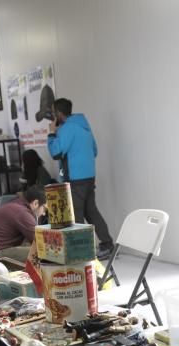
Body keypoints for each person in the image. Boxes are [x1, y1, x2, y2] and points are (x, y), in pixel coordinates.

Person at [47, 98, 114, 258]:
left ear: (59, 114)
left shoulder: (66, 129)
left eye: (53, 112)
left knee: (76, 216)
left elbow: (56, 152)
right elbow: (94, 151)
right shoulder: (84, 125)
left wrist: (51, 133)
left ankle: (83, 252)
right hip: (89, 177)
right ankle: (107, 245)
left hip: (75, 179)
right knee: (91, 211)